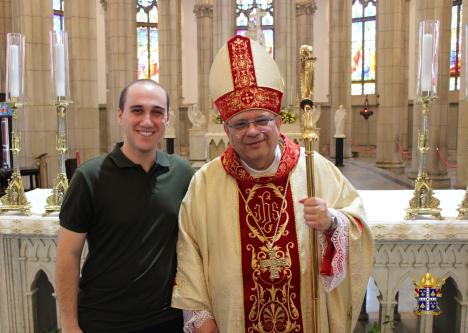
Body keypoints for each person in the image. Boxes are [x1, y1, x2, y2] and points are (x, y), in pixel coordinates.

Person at [172, 35, 374, 333]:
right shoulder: (205, 184)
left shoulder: (314, 170)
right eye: (240, 123)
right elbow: (190, 260)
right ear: (226, 130)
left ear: (278, 121)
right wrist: (203, 323)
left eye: (261, 120)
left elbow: (359, 228)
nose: (252, 131)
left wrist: (333, 223)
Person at [56, 79, 194, 333]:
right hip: (104, 320)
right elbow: (68, 255)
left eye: (157, 112)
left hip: (167, 320)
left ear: (168, 119)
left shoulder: (182, 174)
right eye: (137, 110)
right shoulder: (90, 177)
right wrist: (69, 325)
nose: (147, 121)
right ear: (120, 115)